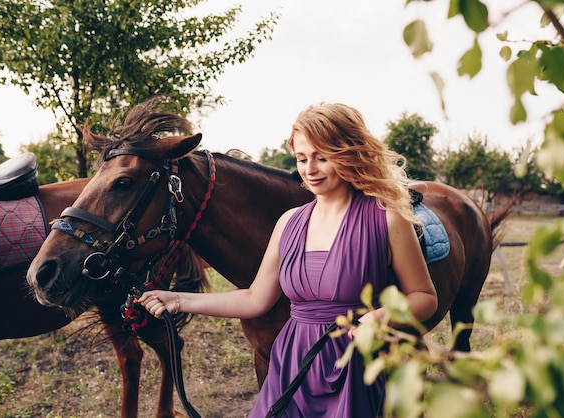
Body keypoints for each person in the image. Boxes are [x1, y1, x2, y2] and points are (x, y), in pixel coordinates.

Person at [137, 102, 438, 417]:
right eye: (302, 158)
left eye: (322, 157)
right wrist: (177, 299)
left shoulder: (387, 219)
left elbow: (424, 297)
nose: (310, 169)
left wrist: (378, 318)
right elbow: (255, 299)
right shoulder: (289, 223)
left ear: (348, 155)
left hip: (359, 365)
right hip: (293, 366)